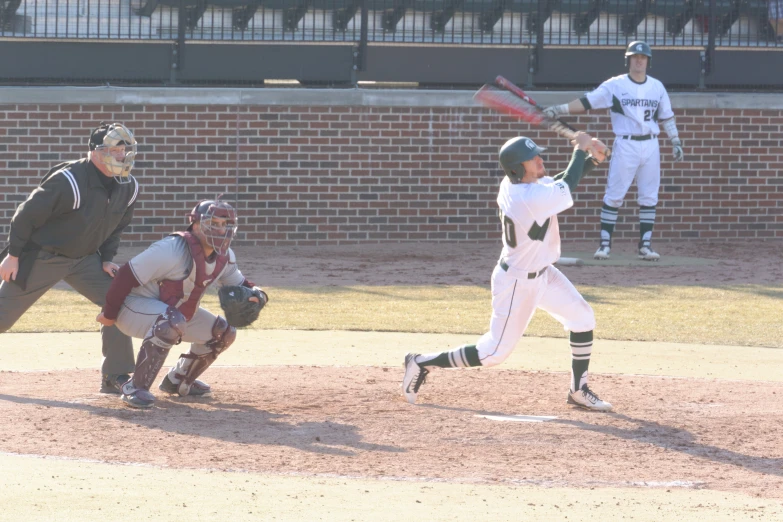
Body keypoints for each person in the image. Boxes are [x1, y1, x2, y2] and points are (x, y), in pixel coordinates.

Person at [402, 133, 613, 412]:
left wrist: (591, 159)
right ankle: (420, 361)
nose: (539, 160)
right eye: (531, 159)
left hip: (542, 273)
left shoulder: (522, 186)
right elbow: (564, 186)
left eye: (537, 155)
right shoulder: (527, 197)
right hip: (516, 283)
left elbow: (559, 183)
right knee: (492, 353)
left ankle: (578, 390)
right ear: (517, 169)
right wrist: (580, 149)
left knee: (583, 317)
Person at [0, 122, 139, 393]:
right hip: (43, 257)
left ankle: (115, 374)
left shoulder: (128, 186)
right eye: (115, 150)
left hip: (85, 259)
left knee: (118, 301)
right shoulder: (69, 179)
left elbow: (116, 226)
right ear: (96, 152)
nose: (122, 156)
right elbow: (25, 216)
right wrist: (13, 256)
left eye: (125, 150)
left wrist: (107, 258)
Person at [96, 198, 268, 409]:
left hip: (173, 315)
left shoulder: (225, 256)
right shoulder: (172, 249)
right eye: (213, 223)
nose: (220, 229)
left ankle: (178, 380)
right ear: (195, 224)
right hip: (133, 307)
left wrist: (258, 295)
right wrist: (110, 314)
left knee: (224, 332)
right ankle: (135, 388)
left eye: (225, 224)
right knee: (171, 321)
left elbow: (242, 284)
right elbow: (125, 275)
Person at [542, 41, 684, 261]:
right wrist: (560, 109)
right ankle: (605, 245)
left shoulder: (657, 87)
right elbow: (587, 101)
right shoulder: (615, 85)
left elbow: (667, 116)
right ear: (628, 60)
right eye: (635, 56)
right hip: (625, 143)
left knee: (649, 195)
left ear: (648, 61)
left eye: (643, 57)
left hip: (651, 143)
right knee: (615, 194)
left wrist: (675, 140)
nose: (639, 60)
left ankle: (645, 246)